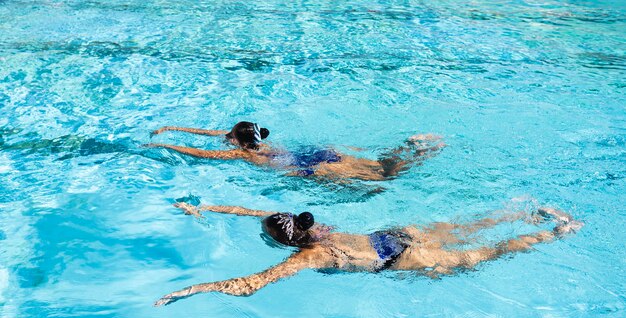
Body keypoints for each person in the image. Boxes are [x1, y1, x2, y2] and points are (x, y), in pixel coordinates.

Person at [154, 203, 582, 305]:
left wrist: (194, 288)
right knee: (471, 228)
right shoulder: (312, 227)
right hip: (392, 235)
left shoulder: (306, 257)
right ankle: (530, 213)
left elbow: (249, 286)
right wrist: (208, 206)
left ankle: (559, 235)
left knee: (483, 254)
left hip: (398, 259)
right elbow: (258, 211)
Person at [147, 121, 444, 181]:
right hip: (316, 153)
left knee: (383, 178)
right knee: (376, 165)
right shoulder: (261, 140)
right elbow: (218, 133)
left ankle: (416, 153)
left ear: (236, 142)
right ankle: (410, 146)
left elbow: (202, 154)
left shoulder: (245, 155)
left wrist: (166, 143)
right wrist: (173, 127)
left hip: (310, 169)